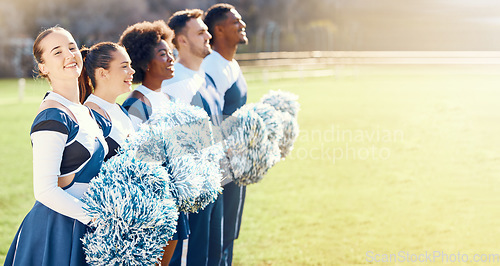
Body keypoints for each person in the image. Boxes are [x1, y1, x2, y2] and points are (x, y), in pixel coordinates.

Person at [5, 26, 109, 266]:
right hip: (58, 232)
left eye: (72, 47)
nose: (69, 55)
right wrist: (98, 218)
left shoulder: (83, 110)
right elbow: (44, 190)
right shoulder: (52, 116)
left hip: (87, 228)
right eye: (57, 52)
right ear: (43, 68)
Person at [119, 20, 184, 265]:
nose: (170, 59)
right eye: (162, 54)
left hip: (174, 195)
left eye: (171, 53)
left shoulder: (167, 97)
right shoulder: (135, 104)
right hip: (154, 201)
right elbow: (138, 157)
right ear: (145, 63)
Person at [162, 9, 224, 266]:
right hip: (191, 192)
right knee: (188, 259)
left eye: (206, 30)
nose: (208, 35)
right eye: (200, 32)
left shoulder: (206, 78)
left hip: (213, 184)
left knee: (209, 256)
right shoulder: (173, 83)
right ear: (182, 41)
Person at [202, 3, 249, 265]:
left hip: (236, 161)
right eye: (235, 22)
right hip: (220, 165)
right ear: (218, 29)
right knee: (217, 236)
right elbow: (210, 118)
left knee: (229, 231)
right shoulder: (211, 66)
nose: (242, 25)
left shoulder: (232, 64)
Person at [78, 42, 136, 160]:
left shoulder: (121, 110)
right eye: (124, 66)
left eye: (130, 65)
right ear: (102, 73)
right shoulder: (90, 115)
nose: (132, 71)